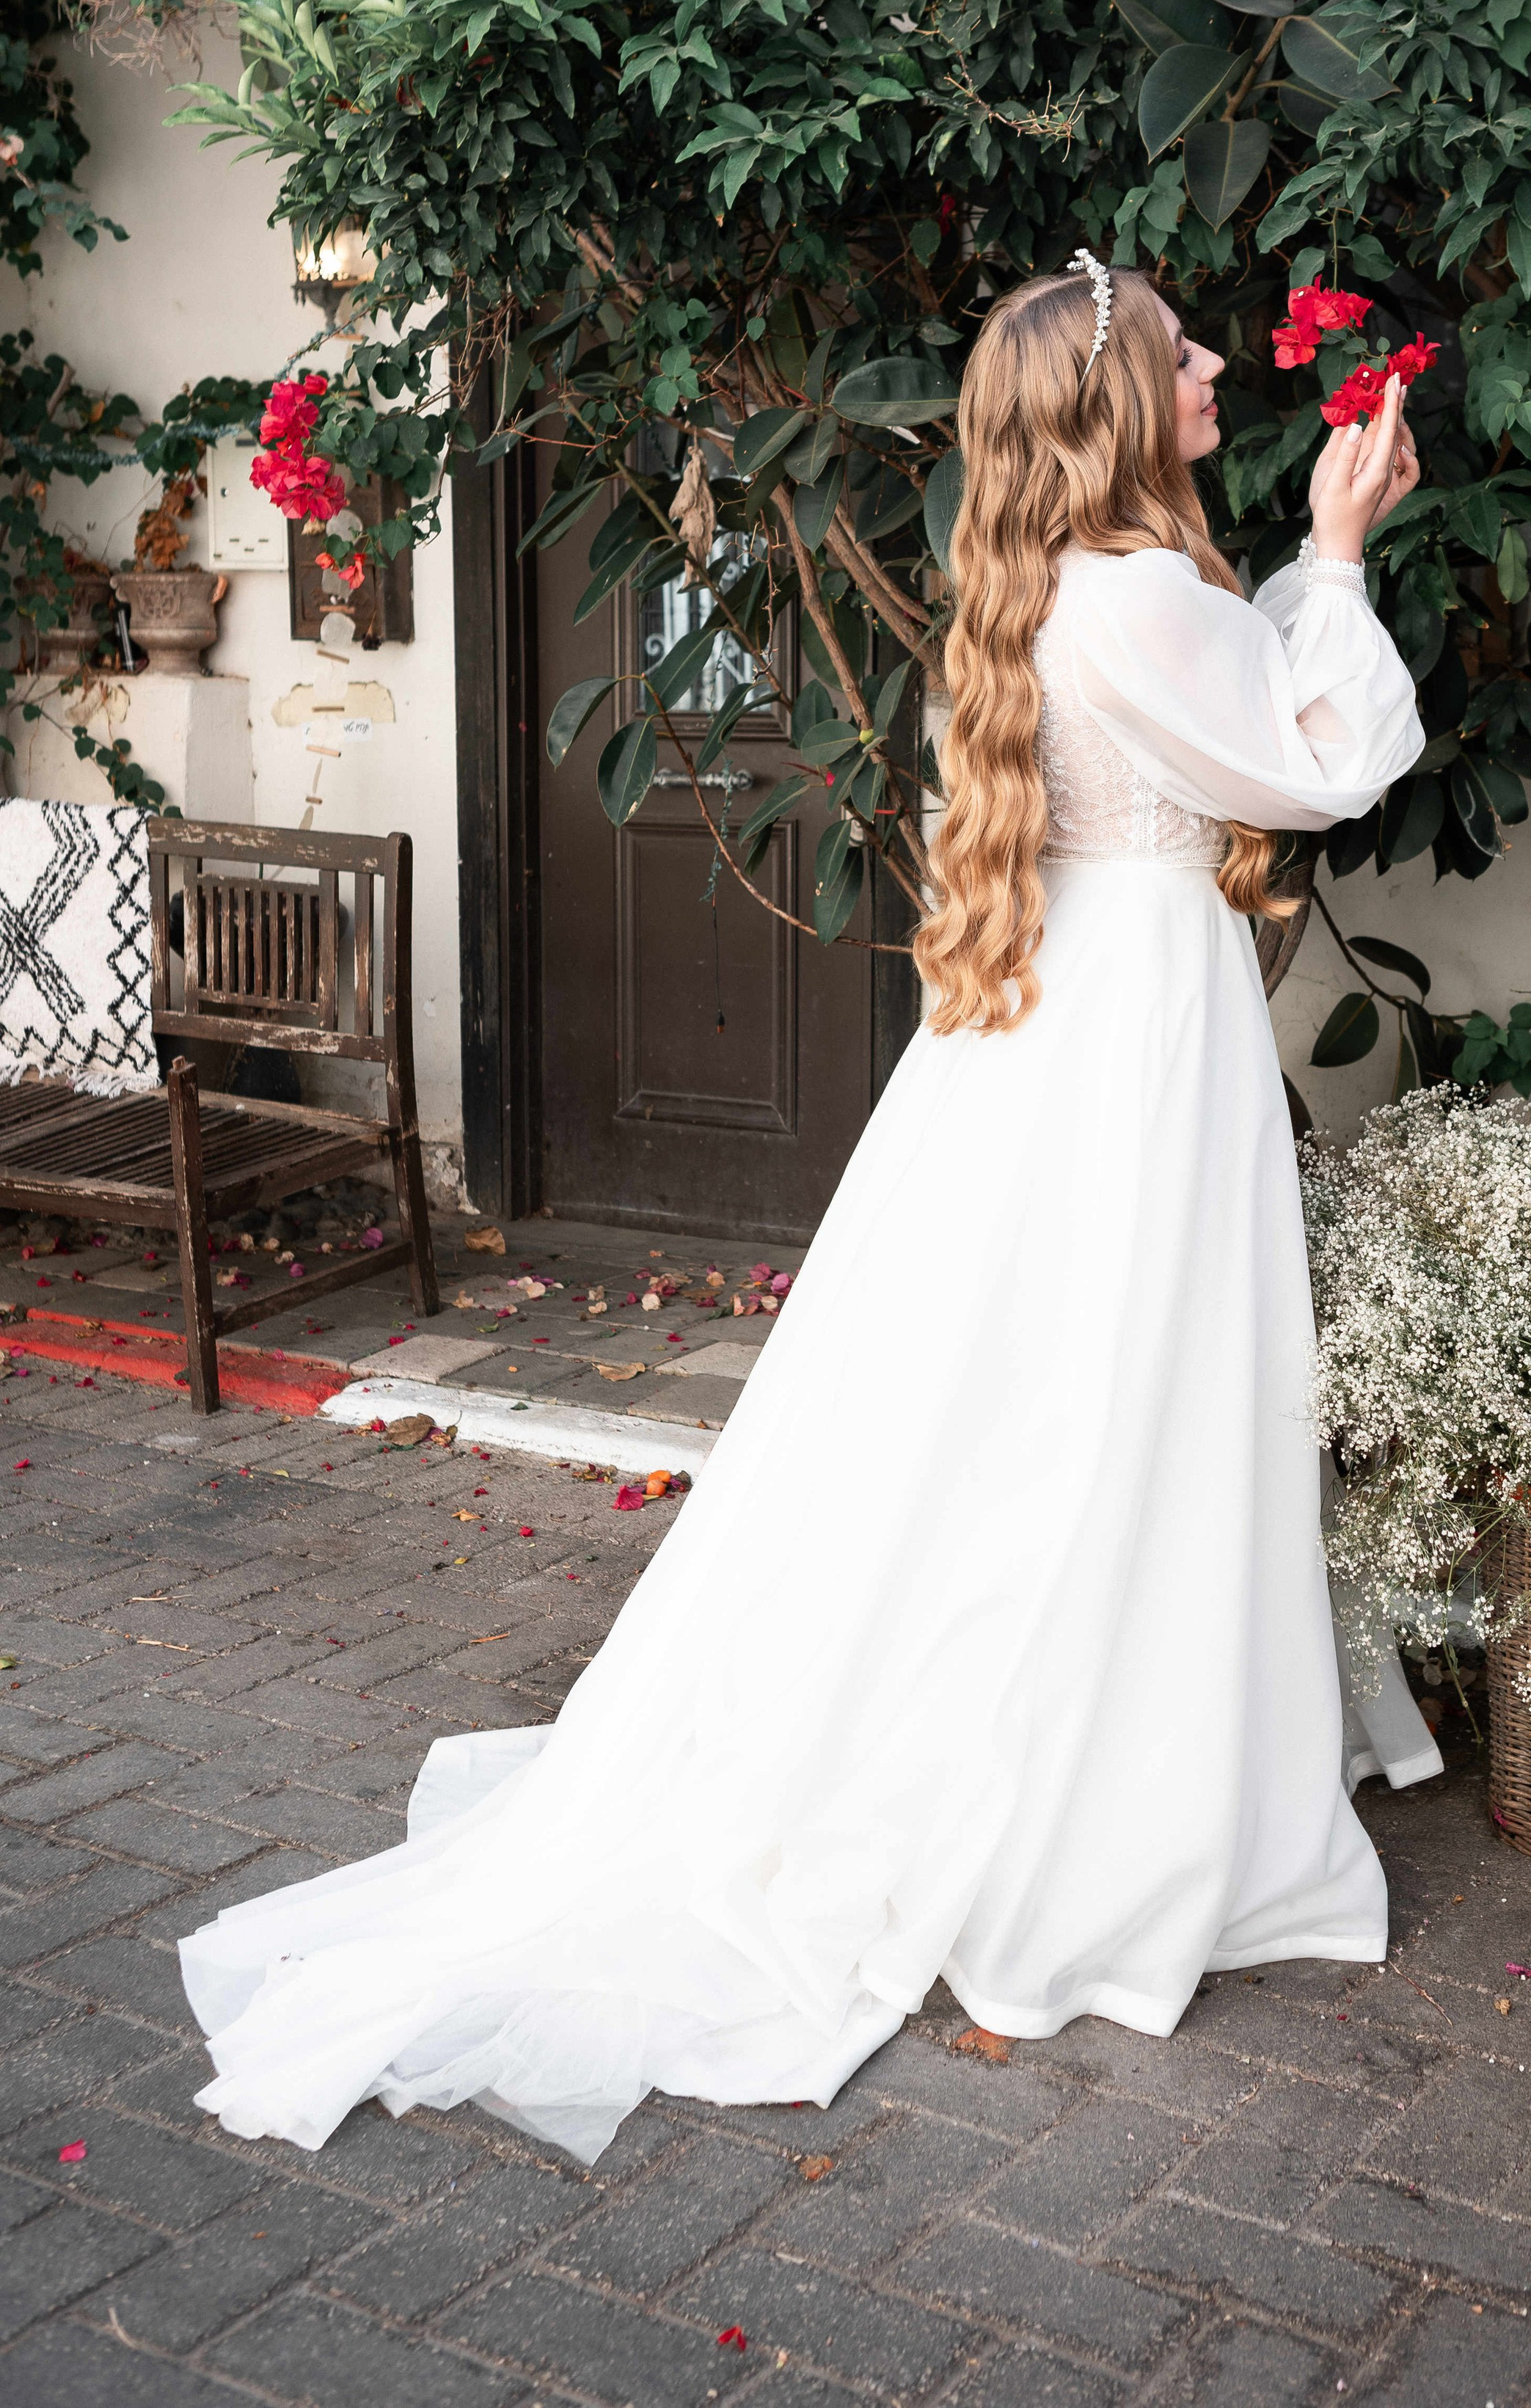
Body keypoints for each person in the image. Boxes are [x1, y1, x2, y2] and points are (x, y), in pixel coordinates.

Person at [180, 255, 1433, 2165]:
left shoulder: (1073, 587)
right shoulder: (1146, 595)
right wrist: (1339, 550)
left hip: (1057, 1025)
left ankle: (1102, 1730)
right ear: (1106, 406)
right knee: (1125, 1397)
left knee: (1044, 1404)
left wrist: (1302, 575)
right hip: (1134, 1039)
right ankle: (1115, 1792)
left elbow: (1230, 703)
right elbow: (1319, 751)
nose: (1206, 363)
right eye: (1175, 350)